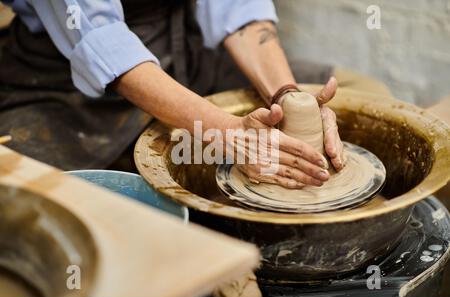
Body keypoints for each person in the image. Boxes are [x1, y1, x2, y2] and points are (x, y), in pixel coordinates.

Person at [0, 0, 344, 188]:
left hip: (183, 48)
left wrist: (286, 98)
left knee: (359, 90)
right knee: (26, 200)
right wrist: (228, 132)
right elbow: (103, 43)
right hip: (61, 75)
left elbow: (239, 11)